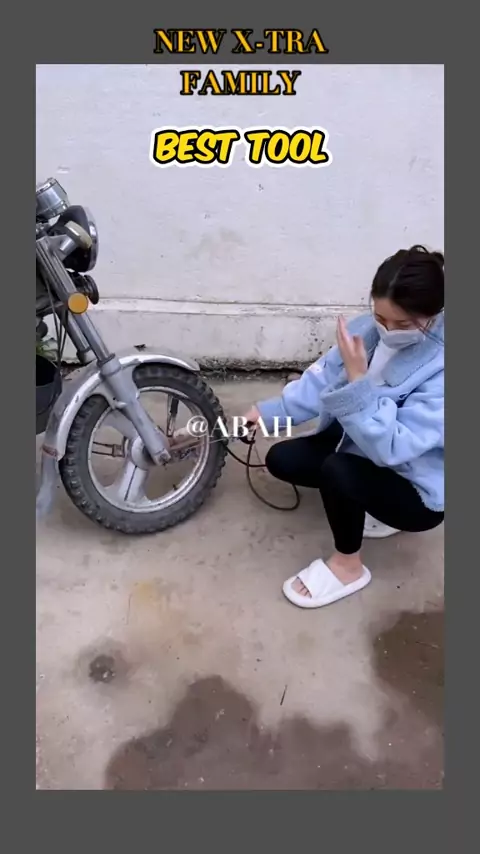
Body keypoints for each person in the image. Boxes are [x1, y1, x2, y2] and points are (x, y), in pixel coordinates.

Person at [243, 245, 444, 610]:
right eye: (381, 317)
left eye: (403, 325)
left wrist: (357, 382)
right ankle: (365, 498)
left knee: (338, 470)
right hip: (364, 444)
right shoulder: (367, 330)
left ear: (434, 314)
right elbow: (320, 380)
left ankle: (348, 566)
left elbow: (394, 447)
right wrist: (268, 413)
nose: (388, 331)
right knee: (281, 460)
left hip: (415, 481)